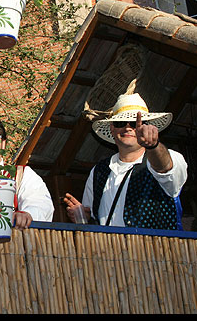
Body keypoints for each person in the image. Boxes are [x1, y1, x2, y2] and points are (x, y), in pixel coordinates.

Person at [63, 93, 187, 229]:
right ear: (112, 128)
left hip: (154, 248)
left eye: (135, 124)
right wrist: (84, 219)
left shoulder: (170, 158)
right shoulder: (99, 171)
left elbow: (165, 169)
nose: (128, 128)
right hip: (109, 249)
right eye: (120, 123)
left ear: (147, 127)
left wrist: (153, 146)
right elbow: (96, 222)